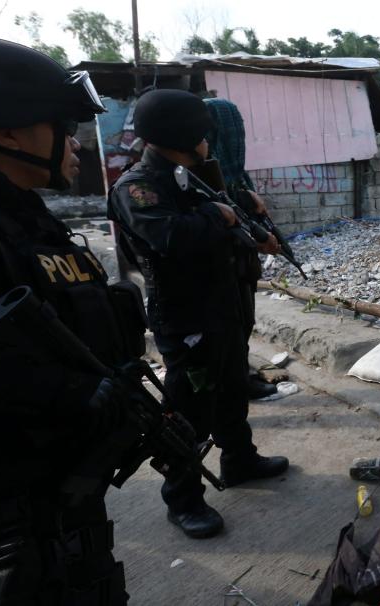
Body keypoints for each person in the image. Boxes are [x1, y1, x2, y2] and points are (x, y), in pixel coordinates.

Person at [0, 38, 135, 604]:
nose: (75, 145)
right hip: (8, 518)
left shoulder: (29, 219)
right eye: (64, 127)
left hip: (58, 505)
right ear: (5, 130)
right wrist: (73, 391)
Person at [108, 89, 288, 539]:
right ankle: (183, 499)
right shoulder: (140, 186)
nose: (210, 143)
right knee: (186, 409)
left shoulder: (193, 175)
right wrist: (220, 217)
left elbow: (228, 217)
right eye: (203, 134)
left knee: (229, 389)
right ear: (186, 136)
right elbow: (170, 236)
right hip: (186, 318)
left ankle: (239, 460)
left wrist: (248, 214)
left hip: (223, 307)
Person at [203, 97, 281, 401]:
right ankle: (234, 384)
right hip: (218, 270)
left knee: (242, 324)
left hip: (240, 266)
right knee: (226, 333)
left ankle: (240, 377)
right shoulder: (201, 176)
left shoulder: (233, 176)